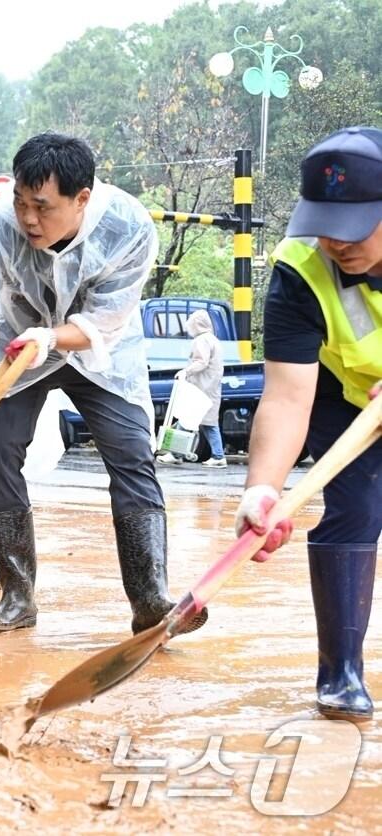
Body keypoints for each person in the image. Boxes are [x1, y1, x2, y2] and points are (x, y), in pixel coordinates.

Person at [0, 132, 208, 636]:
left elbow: (105, 320)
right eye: (20, 202)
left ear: (82, 198)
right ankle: (17, 597)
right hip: (17, 346)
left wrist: (53, 336)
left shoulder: (128, 225)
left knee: (131, 453)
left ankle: (150, 599)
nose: (28, 218)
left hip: (100, 350)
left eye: (42, 206)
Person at [235, 126, 382, 722]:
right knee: (358, 506)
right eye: (324, 224)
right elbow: (287, 397)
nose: (335, 242)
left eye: (353, 227)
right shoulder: (299, 268)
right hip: (344, 397)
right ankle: (340, 672)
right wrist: (262, 490)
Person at [157, 310, 227, 467]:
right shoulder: (213, 340)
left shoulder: (201, 340)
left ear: (196, 325)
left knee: (186, 420)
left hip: (200, 388)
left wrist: (186, 371)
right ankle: (218, 456)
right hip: (211, 388)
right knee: (209, 423)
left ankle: (176, 454)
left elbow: (201, 362)